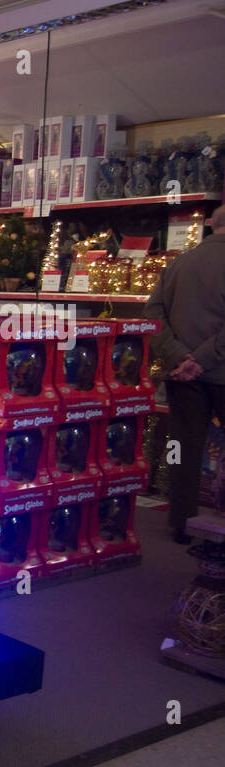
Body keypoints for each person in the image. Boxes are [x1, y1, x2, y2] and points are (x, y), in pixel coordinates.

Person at [146, 204, 225, 543]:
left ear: (211, 225)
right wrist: (204, 359)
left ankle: (180, 519)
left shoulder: (178, 263)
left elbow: (152, 314)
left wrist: (180, 358)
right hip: (220, 371)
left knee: (181, 446)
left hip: (181, 376)